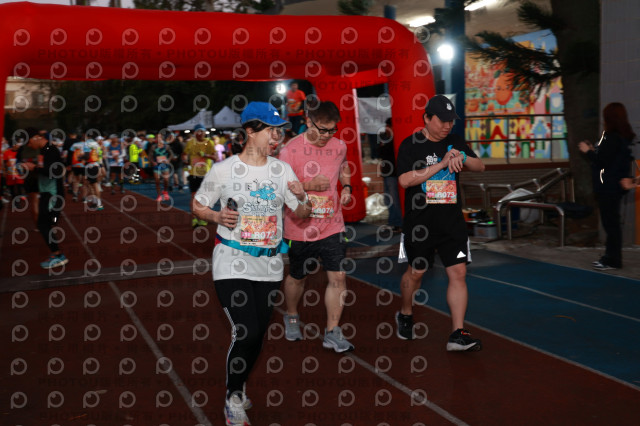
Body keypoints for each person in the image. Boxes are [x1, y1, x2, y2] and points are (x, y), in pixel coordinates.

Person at [191, 101, 311, 425]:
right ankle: (232, 398)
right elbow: (198, 205)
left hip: (269, 267)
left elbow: (302, 213)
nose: (276, 136)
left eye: (279, 131)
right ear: (250, 131)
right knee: (246, 332)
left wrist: (302, 197)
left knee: (257, 336)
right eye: (270, 130)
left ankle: (239, 384)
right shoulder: (224, 170)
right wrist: (217, 216)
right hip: (232, 261)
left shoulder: (281, 170)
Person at [395, 95, 485, 351]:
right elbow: (404, 180)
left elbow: (480, 166)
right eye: (442, 120)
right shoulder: (411, 144)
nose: (447, 126)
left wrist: (462, 157)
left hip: (451, 223)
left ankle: (457, 333)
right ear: (426, 118)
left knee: (458, 273)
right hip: (420, 224)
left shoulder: (455, 141)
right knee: (416, 273)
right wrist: (442, 164)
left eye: (451, 121)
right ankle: (405, 313)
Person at [278, 100, 355, 353]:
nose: (326, 136)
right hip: (300, 226)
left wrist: (346, 187)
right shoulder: (290, 150)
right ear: (308, 122)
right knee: (298, 276)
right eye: (322, 129)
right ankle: (292, 315)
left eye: (332, 130)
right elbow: (280, 188)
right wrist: (309, 186)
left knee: (338, 277)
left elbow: (344, 168)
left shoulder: (339, 146)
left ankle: (332, 331)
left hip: (332, 225)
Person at [578, 102, 635, 270]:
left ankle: (613, 259)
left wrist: (588, 151)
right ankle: (610, 257)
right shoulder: (622, 137)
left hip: (608, 185)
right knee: (612, 223)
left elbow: (602, 161)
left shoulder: (612, 138)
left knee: (611, 224)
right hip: (614, 185)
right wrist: (593, 150)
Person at [22, 128, 68, 268]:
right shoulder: (44, 150)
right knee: (46, 224)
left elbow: (55, 172)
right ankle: (57, 254)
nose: (29, 146)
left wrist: (34, 168)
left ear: (35, 137)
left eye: (29, 142)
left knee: (43, 224)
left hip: (52, 194)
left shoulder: (50, 150)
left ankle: (58, 255)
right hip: (47, 193)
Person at [185, 124, 217, 228]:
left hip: (206, 175)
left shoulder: (209, 142)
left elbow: (215, 157)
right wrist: (185, 159)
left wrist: (205, 155)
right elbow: (184, 154)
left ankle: (203, 218)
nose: (201, 133)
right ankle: (194, 218)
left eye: (202, 131)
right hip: (194, 174)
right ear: (195, 133)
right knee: (194, 197)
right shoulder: (190, 142)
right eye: (198, 131)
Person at [378, 117, 402, 232]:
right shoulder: (385, 137)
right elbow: (380, 153)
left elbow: (389, 152)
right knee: (388, 199)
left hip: (394, 173)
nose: (386, 128)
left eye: (388, 126)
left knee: (394, 199)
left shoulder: (396, 139)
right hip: (387, 172)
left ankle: (399, 223)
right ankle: (392, 222)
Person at [149, 134, 175, 202]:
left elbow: (171, 154)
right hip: (156, 166)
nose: (158, 139)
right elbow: (150, 156)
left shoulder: (166, 146)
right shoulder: (153, 147)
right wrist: (153, 162)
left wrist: (168, 160)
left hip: (164, 165)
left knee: (166, 180)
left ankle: (165, 191)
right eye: (157, 137)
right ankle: (159, 195)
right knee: (157, 181)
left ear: (162, 139)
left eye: (160, 137)